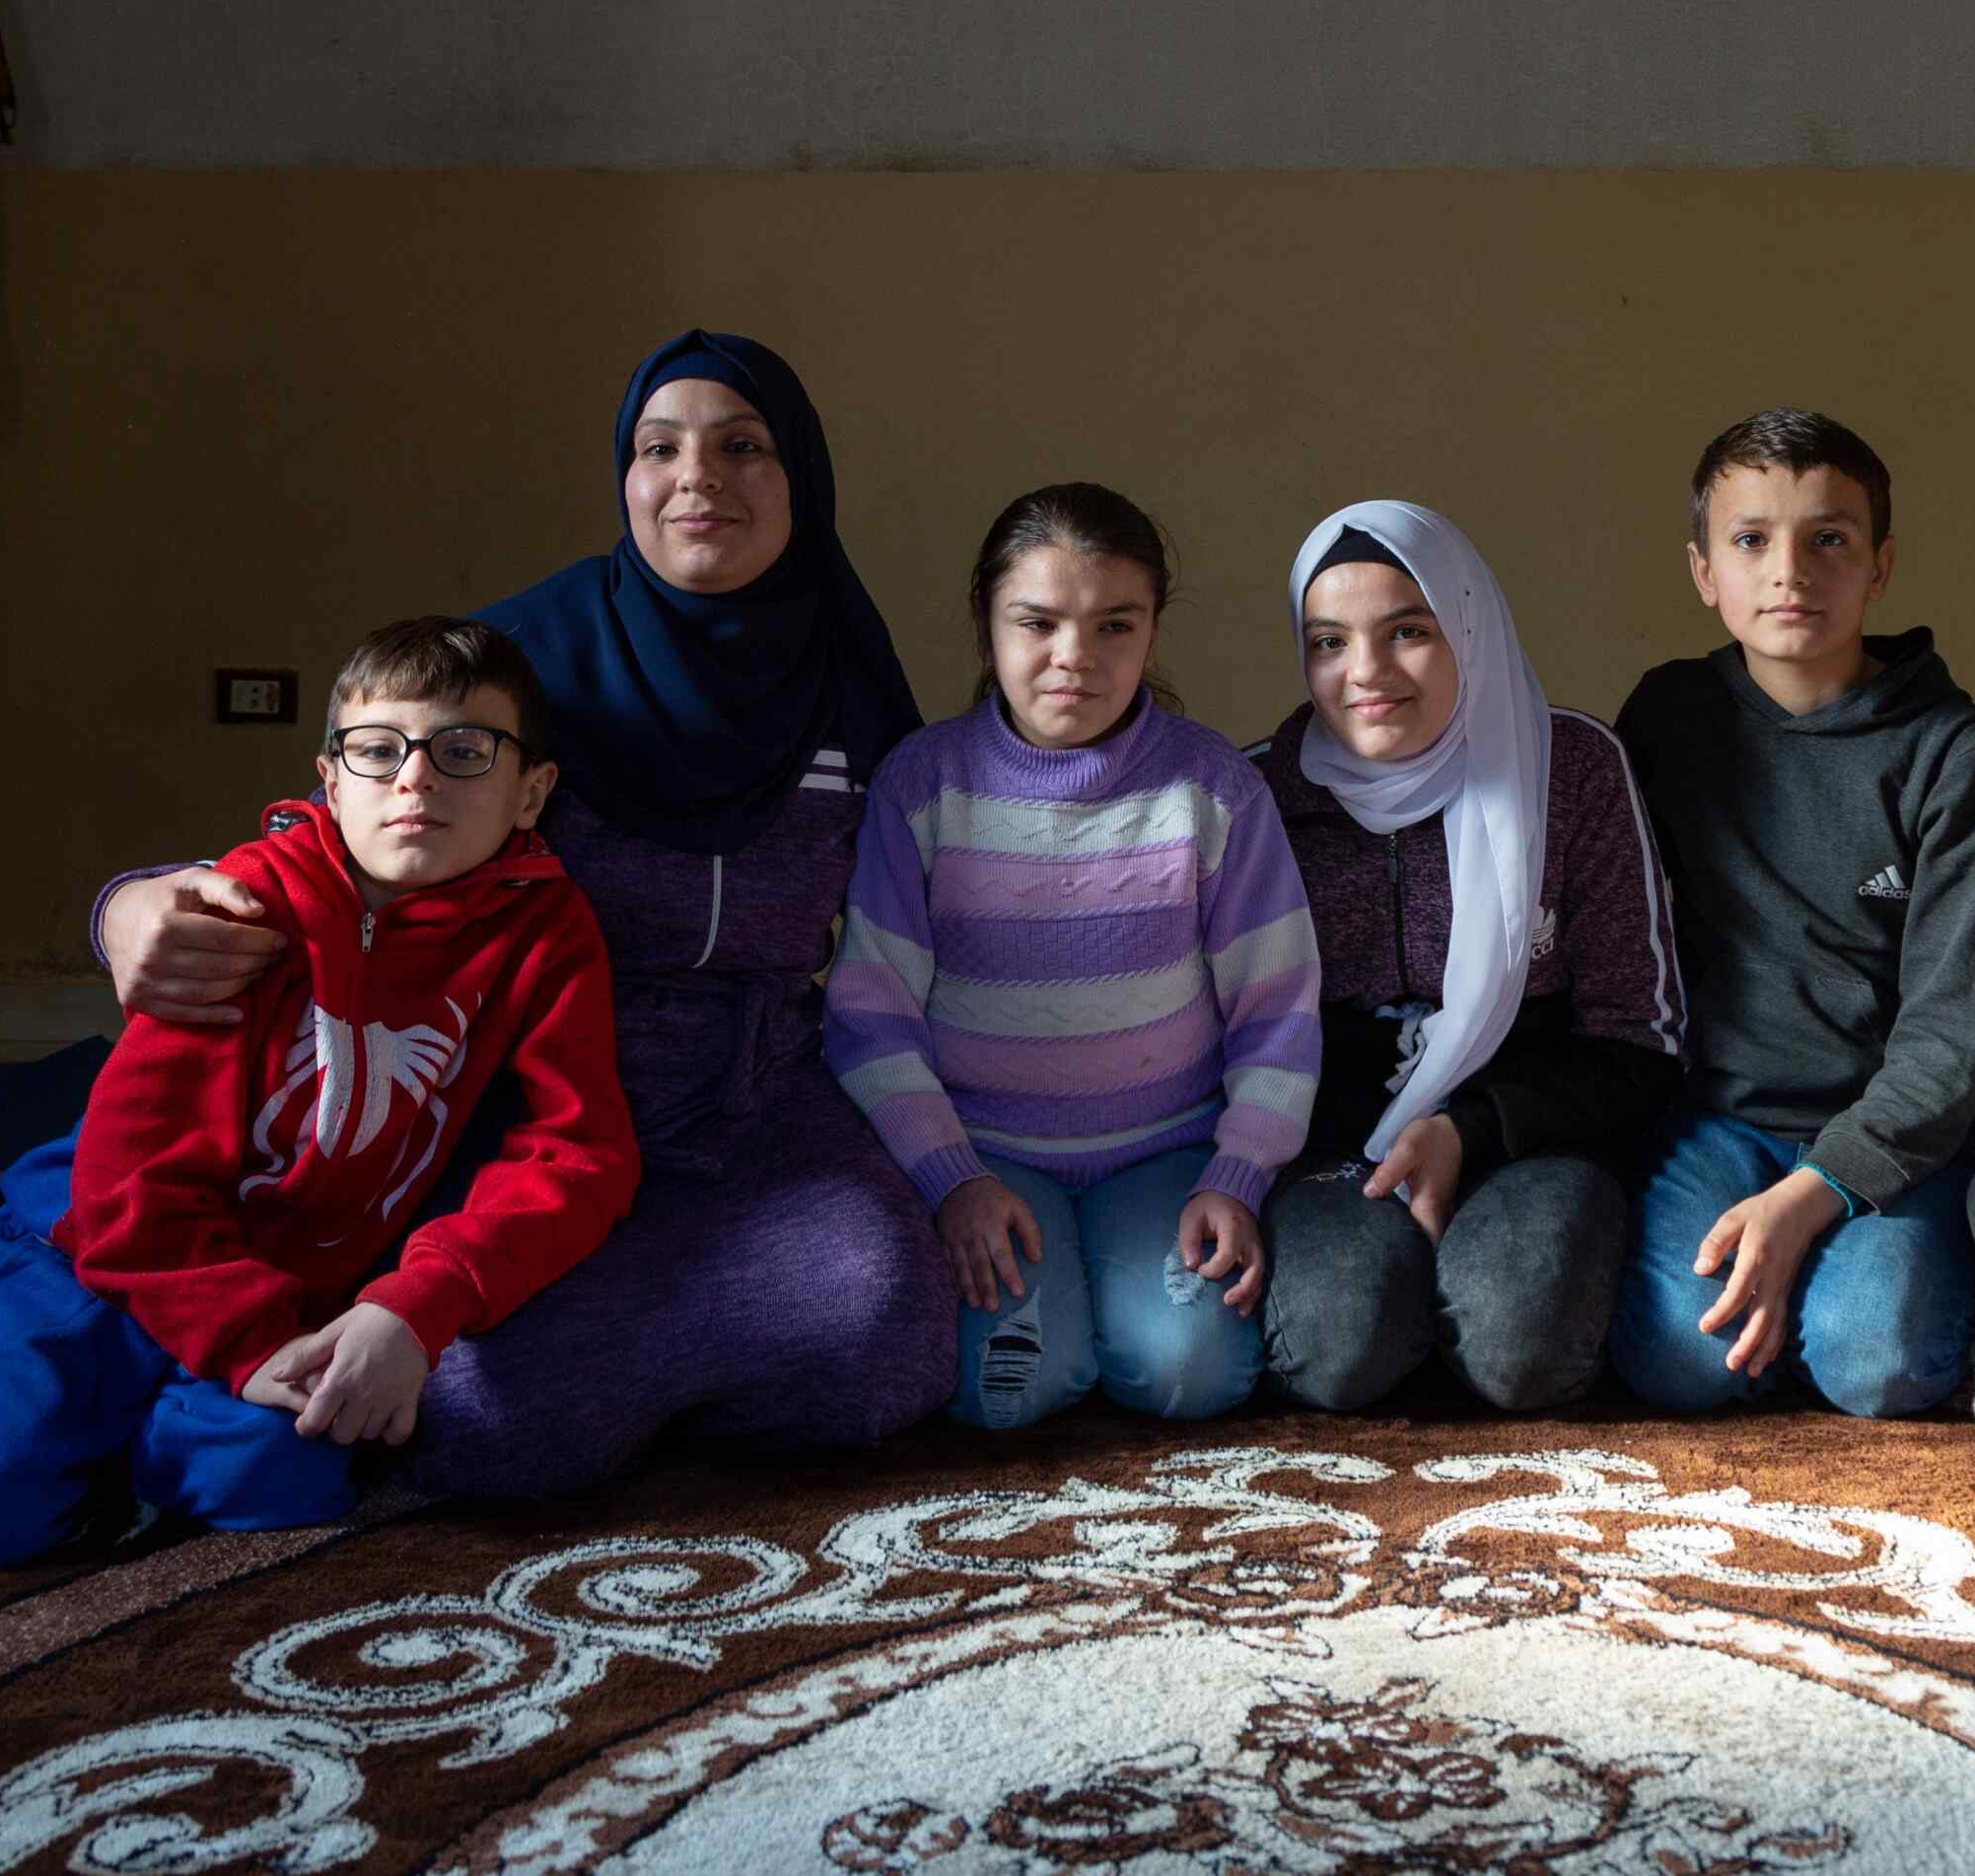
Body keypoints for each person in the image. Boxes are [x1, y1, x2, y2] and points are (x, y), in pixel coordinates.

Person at [89, 330, 952, 1494]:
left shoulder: (848, 679)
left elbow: (939, 891)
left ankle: (633, 1364)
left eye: (742, 447)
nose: (697, 478)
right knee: (494, 1428)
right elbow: (347, 833)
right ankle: (607, 1372)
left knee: (896, 1347)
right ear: (624, 477)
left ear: (800, 474)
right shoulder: (527, 663)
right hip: (518, 1111)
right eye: (661, 448)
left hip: (762, 1094)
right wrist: (125, 906)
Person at [0, 619, 637, 1565]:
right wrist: (245, 1348)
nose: (414, 779)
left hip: (291, 1286)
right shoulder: (241, 910)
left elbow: (577, 1151)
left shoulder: (546, 930)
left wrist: (417, 1303)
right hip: (103, 1258)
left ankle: (106, 1446)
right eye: (377, 751)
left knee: (289, 1483)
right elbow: (131, 1184)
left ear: (531, 790)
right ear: (330, 779)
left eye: (463, 751)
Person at [826, 483, 1319, 1428]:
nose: (1074, 658)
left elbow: (1279, 1005)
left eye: (1113, 626)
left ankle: (1115, 1310)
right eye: (1038, 623)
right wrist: (951, 1180)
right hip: (990, 1164)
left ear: (1152, 633)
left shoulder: (1210, 788)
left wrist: (1237, 1175)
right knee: (1004, 1393)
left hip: (1168, 1158)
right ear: (986, 630)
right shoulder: (923, 787)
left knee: (1193, 1377)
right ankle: (1072, 1319)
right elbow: (870, 1012)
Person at [1608, 410, 1975, 1418]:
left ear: (1878, 567)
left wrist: (1811, 1199)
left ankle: (1842, 1283)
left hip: (1891, 1133)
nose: (1787, 570)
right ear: (1704, 571)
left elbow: (1950, 1030)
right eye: (1750, 540)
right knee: (1680, 1364)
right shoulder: (1664, 720)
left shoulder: (1955, 752)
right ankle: (1782, 1296)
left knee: (1874, 1366)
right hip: (1711, 1120)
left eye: (1826, 538)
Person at [1251, 502, 1685, 1413]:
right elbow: (1231, 1035)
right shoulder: (1259, 791)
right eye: (1327, 642)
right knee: (1338, 1348)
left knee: (1518, 1346)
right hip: (1333, 1141)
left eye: (1408, 631)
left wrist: (1466, 1128)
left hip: (1533, 1130)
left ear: (1469, 627)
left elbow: (1637, 1033)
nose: (1364, 674)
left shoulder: (1568, 768)